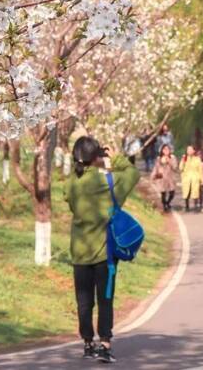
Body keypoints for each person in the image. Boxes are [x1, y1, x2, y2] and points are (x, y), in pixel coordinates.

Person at [64, 137, 140, 364]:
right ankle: (105, 344)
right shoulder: (109, 181)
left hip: (79, 252)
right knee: (105, 298)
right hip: (105, 254)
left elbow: (68, 195)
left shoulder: (72, 184)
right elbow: (133, 173)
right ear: (97, 156)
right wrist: (114, 157)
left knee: (84, 301)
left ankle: (87, 343)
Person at [151, 144, 178, 212]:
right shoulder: (159, 158)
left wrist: (169, 161)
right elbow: (156, 168)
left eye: (167, 149)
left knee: (172, 193)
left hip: (170, 178)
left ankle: (168, 202)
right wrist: (153, 176)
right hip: (162, 178)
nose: (166, 151)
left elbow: (175, 167)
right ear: (162, 151)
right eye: (164, 149)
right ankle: (165, 206)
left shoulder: (172, 158)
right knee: (163, 193)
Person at [180, 145, 203, 212]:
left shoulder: (197, 159)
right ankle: (186, 206)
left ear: (194, 151)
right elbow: (181, 168)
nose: (189, 151)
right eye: (188, 149)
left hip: (195, 178)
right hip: (186, 178)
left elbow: (200, 170)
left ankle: (196, 206)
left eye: (191, 149)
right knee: (186, 193)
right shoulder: (185, 159)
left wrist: (202, 179)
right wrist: (183, 160)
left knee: (195, 192)